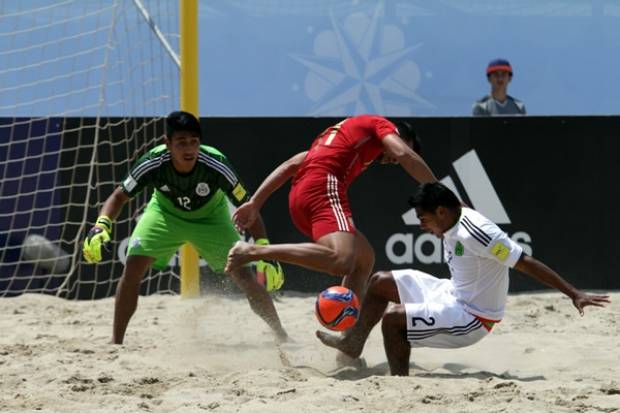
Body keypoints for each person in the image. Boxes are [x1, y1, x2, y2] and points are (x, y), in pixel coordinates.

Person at [317, 182, 610, 376]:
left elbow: (525, 262)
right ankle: (353, 344)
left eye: (423, 218)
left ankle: (400, 386)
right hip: (450, 293)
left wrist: (573, 293)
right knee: (380, 280)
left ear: (441, 212)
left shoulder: (479, 233)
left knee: (394, 319)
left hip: (472, 316)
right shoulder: (453, 218)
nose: (421, 225)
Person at [82, 111, 288, 344]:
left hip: (211, 218)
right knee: (132, 268)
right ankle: (116, 341)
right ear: (167, 143)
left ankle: (281, 335)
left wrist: (264, 249)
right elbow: (118, 197)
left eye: (194, 142)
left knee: (243, 274)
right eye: (181, 142)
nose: (189, 149)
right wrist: (101, 225)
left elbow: (248, 207)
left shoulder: (215, 163)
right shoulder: (153, 162)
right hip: (165, 214)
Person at [225, 115, 437, 301]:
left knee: (364, 259)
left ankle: (347, 336)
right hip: (323, 186)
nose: (394, 161)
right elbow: (405, 156)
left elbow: (292, 164)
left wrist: (255, 203)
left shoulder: (344, 138)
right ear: (395, 133)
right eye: (403, 143)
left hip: (301, 195)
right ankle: (253, 251)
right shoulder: (380, 124)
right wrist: (441, 194)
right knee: (343, 260)